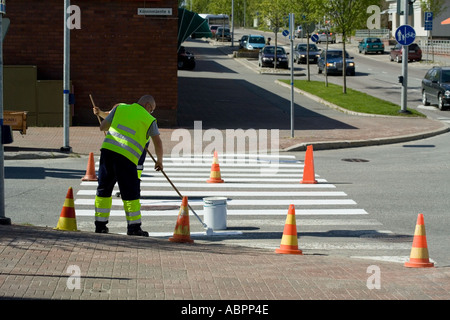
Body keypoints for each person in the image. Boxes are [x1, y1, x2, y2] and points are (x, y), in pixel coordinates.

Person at [93, 95, 163, 237]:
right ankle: (134, 228)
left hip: (107, 153)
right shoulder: (149, 119)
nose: (151, 112)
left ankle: (100, 226)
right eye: (152, 110)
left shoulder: (120, 108)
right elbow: (158, 142)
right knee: (130, 193)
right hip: (126, 158)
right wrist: (159, 160)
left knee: (104, 189)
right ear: (148, 106)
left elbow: (102, 127)